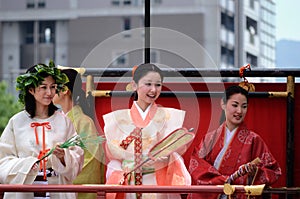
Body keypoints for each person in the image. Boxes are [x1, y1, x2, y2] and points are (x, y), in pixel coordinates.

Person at [103, 63, 191, 199]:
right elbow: (114, 156)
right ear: (134, 85)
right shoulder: (117, 119)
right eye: (148, 84)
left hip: (156, 182)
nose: (153, 90)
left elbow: (176, 151)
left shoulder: (169, 117)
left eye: (158, 85)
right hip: (129, 184)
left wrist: (168, 158)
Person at [0, 62, 84, 199]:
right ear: (31, 90)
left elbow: (78, 156)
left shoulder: (64, 122)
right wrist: (28, 164)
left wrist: (63, 156)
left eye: (53, 87)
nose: (49, 93)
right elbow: (3, 160)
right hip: (25, 191)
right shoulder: (16, 122)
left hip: (56, 189)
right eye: (43, 87)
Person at [188, 85, 282, 199]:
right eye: (235, 105)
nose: (239, 111)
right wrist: (223, 180)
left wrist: (255, 172)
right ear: (223, 104)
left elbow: (274, 171)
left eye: (244, 106)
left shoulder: (253, 140)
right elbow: (196, 166)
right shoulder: (209, 139)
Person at [53, 69, 105, 199]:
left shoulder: (84, 122)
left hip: (74, 189)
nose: (49, 92)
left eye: (53, 86)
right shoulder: (57, 120)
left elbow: (91, 160)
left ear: (64, 89)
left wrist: (66, 176)